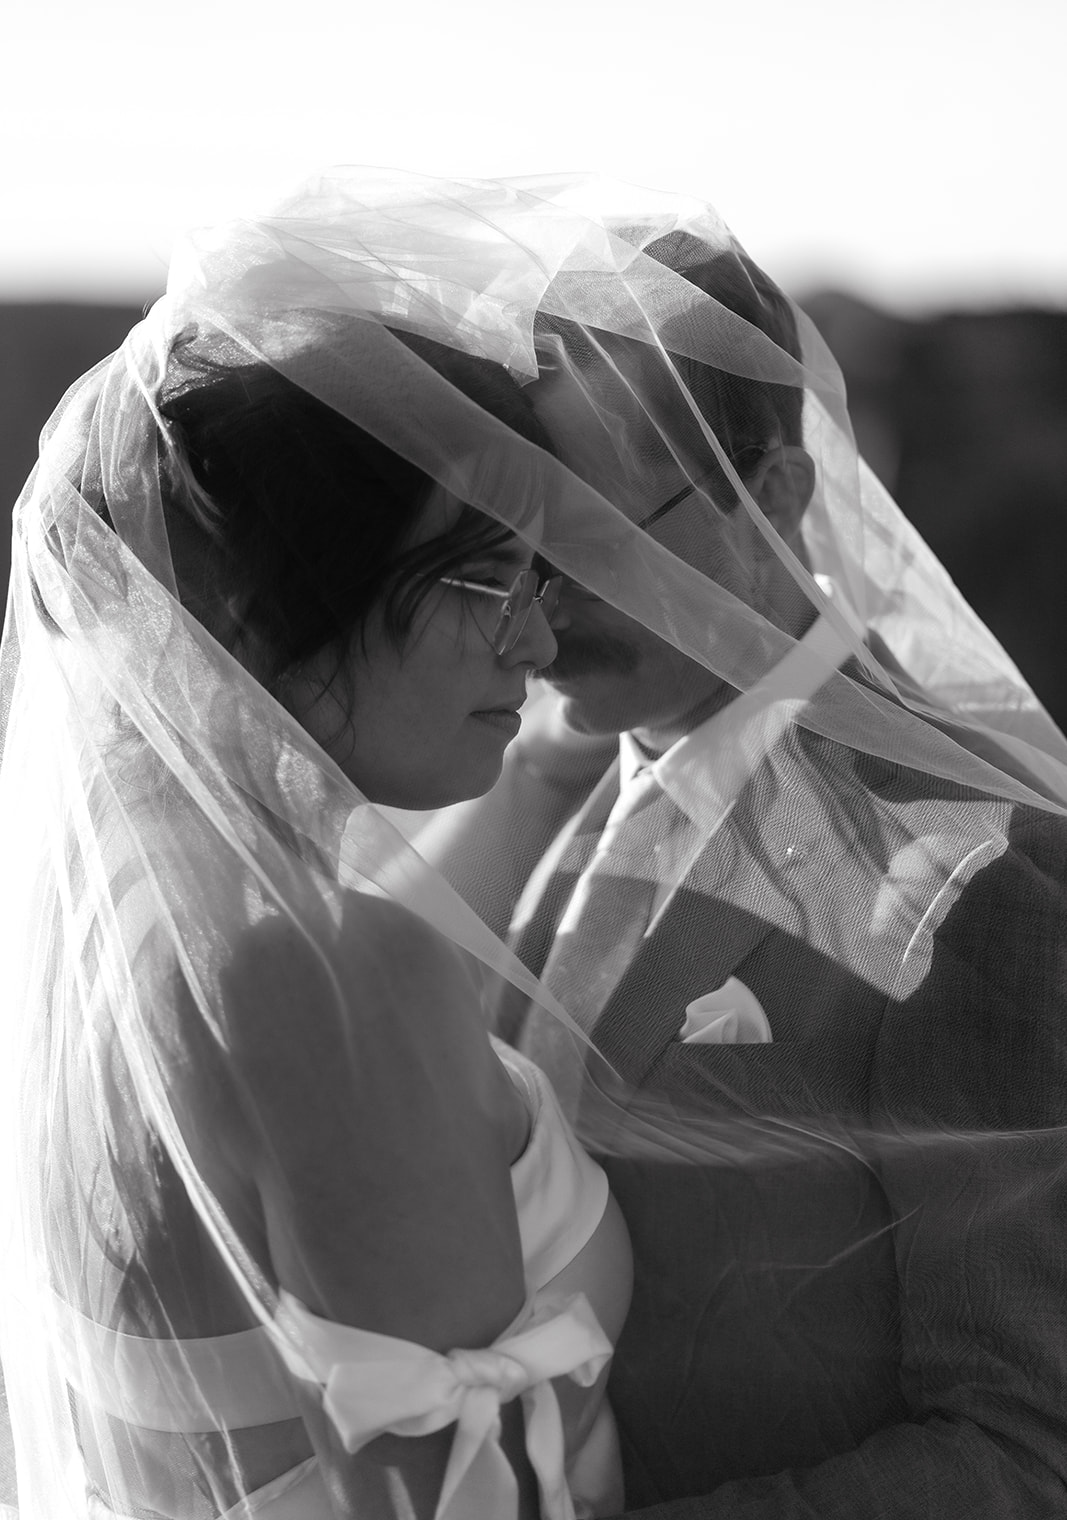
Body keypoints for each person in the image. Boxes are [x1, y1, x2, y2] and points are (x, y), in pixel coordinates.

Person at [416, 215, 1067, 1515]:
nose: (538, 610)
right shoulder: (537, 793)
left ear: (773, 495)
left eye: (595, 536)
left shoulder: (983, 879)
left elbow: (1021, 1449)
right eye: (516, 544)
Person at [0, 197, 640, 1520]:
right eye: (482, 586)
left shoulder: (107, 905)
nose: (535, 644)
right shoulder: (327, 968)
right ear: (266, 593)